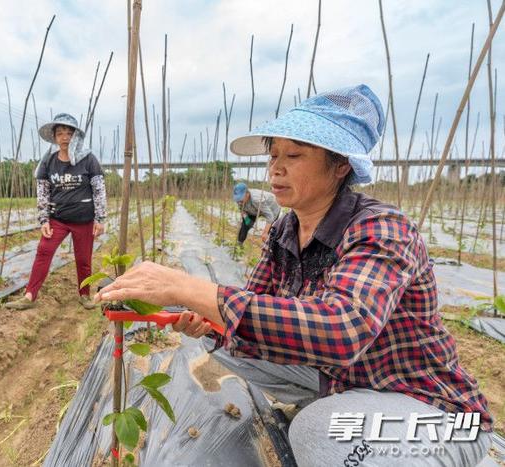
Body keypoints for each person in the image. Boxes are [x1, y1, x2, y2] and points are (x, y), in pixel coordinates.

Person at [95, 85, 493, 466]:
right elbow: (249, 310)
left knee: (315, 432)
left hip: (430, 410)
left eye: (295, 156)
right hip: (348, 382)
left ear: (340, 165)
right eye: (273, 156)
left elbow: (342, 330)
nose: (276, 168)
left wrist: (189, 285)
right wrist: (208, 318)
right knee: (231, 343)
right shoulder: (285, 231)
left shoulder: (381, 228)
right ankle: (347, 413)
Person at [7, 113, 106, 311]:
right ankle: (29, 295)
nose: (65, 137)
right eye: (60, 133)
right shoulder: (48, 162)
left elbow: (99, 188)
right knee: (44, 251)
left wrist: (100, 218)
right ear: (54, 137)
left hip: (83, 219)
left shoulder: (88, 159)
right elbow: (43, 192)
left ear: (76, 136)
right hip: (57, 219)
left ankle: (84, 295)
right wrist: (44, 220)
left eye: (69, 133)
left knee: (84, 259)